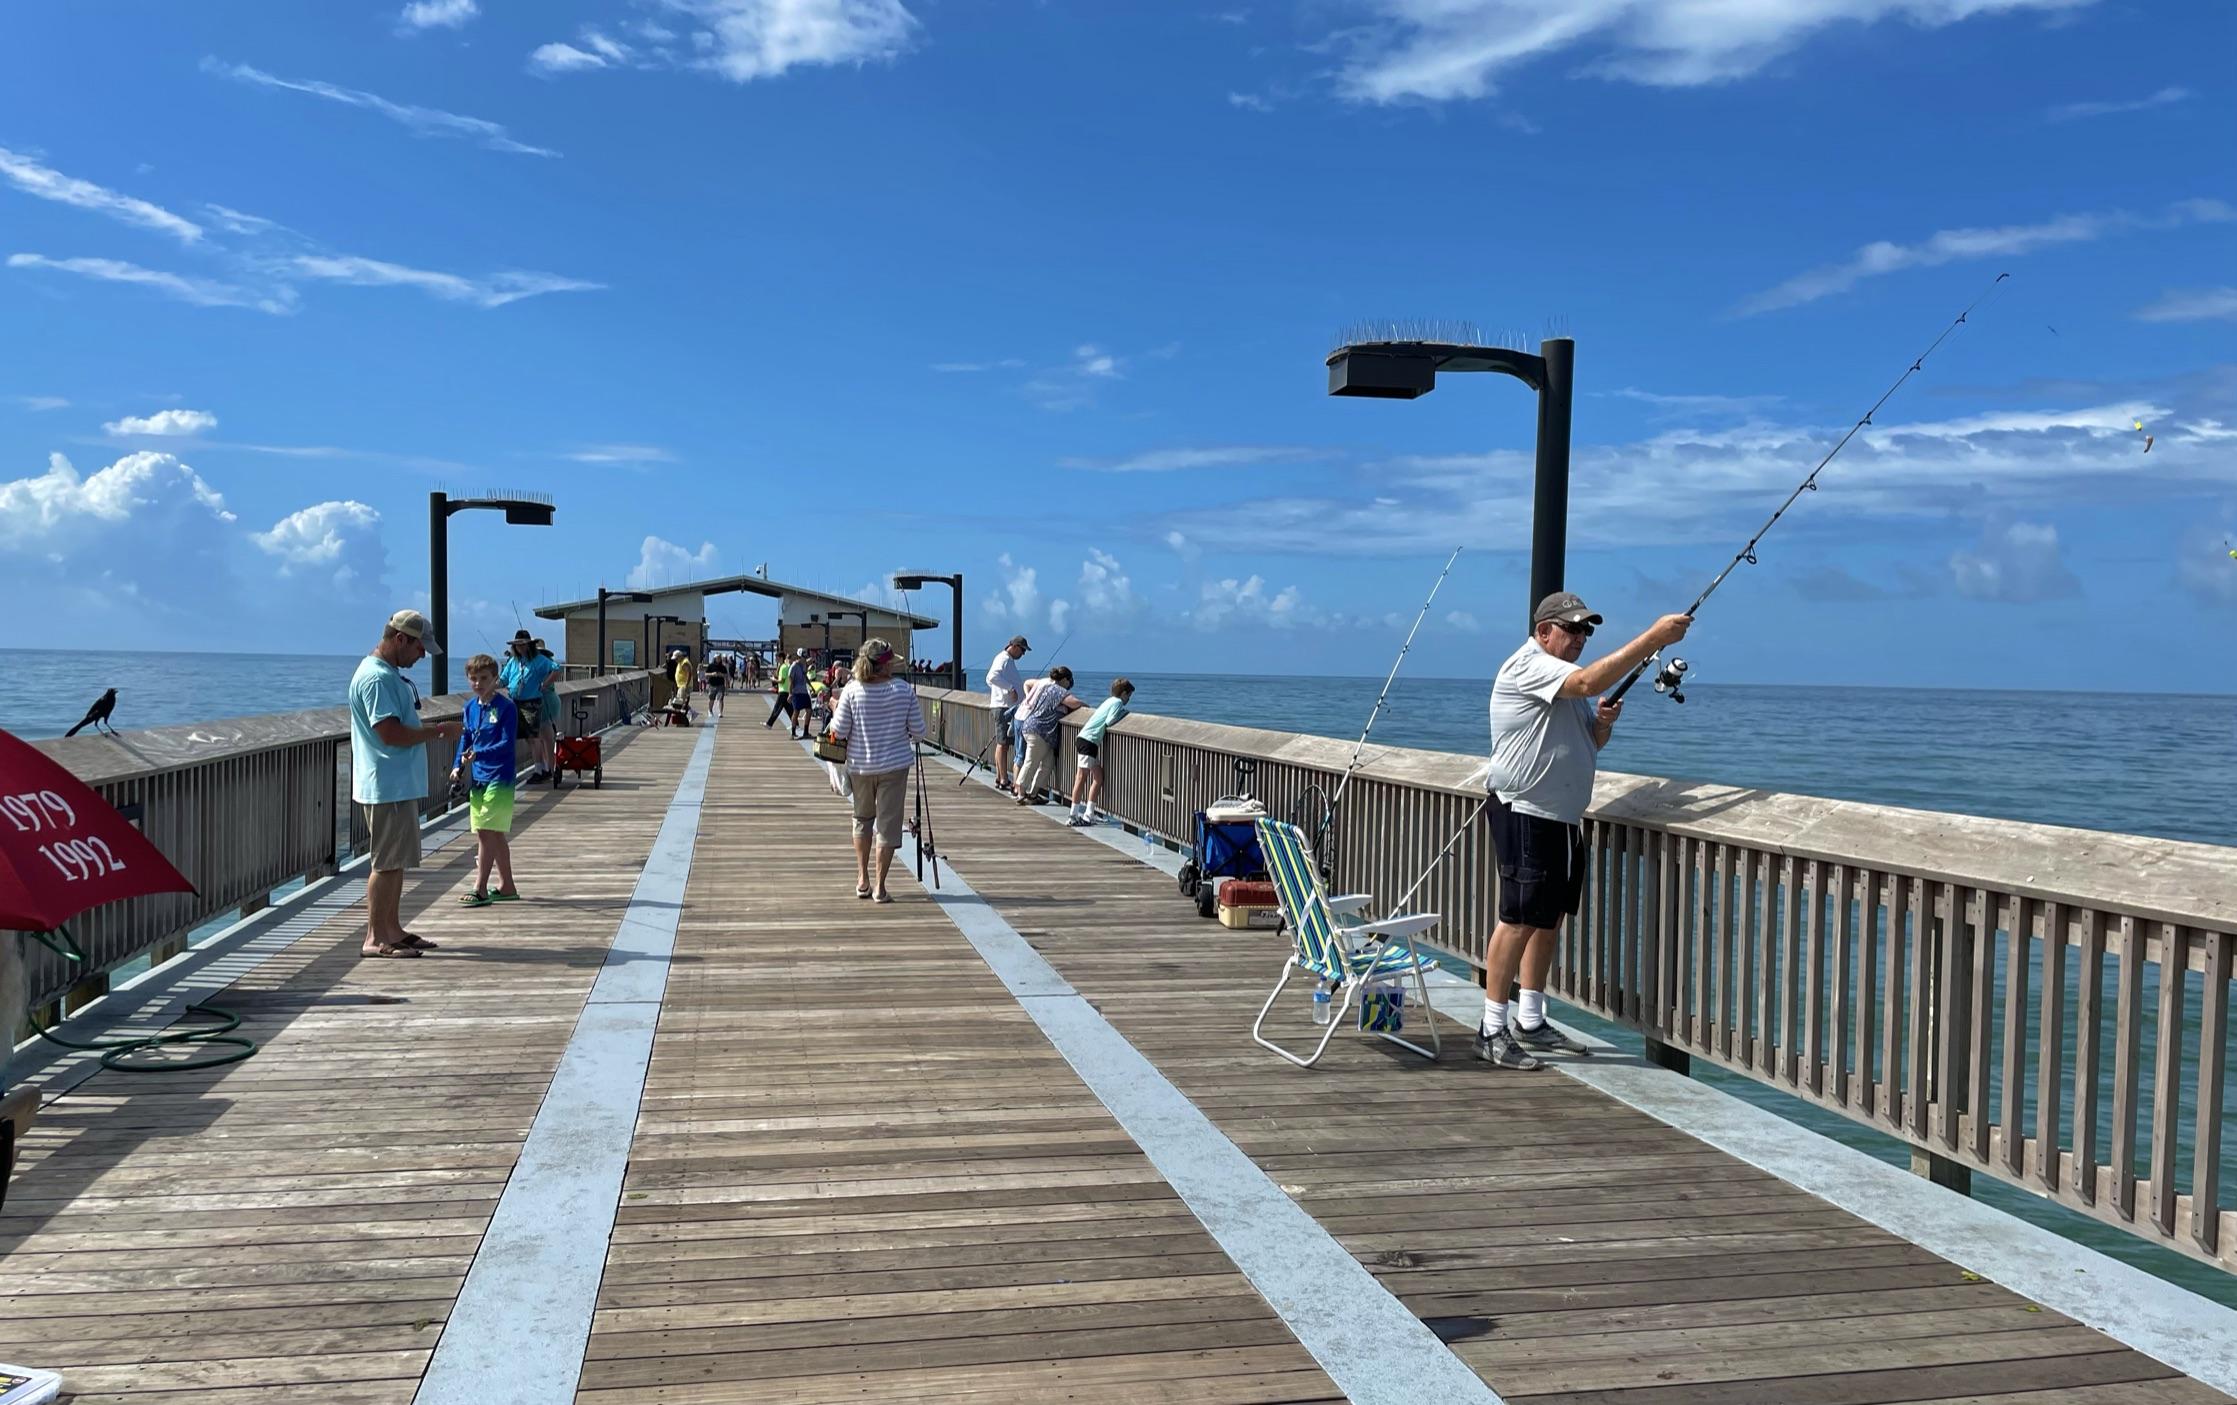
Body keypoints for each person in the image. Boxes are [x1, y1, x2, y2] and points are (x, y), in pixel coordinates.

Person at [1478, 592, 1691, 1070]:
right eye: (1571, 629)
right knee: (1517, 921)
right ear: (1544, 631)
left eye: (1586, 632)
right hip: (1525, 811)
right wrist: (1655, 637)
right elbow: (1589, 680)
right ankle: (1491, 1027)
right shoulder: (1529, 666)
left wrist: (1602, 725)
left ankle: (1529, 1019)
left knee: (1549, 920)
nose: (1579, 638)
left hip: (1564, 818)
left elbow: (1588, 741)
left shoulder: (1561, 681)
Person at [349, 609, 462, 959]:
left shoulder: (387, 675)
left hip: (396, 785)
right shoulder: (377, 679)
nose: (423, 655)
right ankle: (374, 937)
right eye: (419, 647)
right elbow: (390, 733)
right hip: (386, 785)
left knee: (395, 861)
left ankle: (392, 930)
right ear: (401, 639)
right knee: (384, 863)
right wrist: (439, 731)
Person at [826, 638, 927, 903]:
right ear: (885, 666)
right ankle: (880, 887)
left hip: (860, 766)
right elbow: (919, 733)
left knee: (862, 819)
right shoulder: (903, 690)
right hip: (895, 766)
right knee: (888, 826)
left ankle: (862, 879)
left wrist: (835, 708)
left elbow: (838, 732)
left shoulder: (852, 690)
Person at [450, 653, 522, 907]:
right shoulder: (469, 708)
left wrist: (480, 753)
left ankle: (479, 888)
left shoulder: (507, 707)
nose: (478, 683)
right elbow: (465, 739)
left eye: (484, 678)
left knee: (485, 833)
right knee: (495, 833)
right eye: (473, 679)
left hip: (499, 776)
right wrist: (457, 765)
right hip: (478, 776)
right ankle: (507, 886)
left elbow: (505, 743)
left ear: (495, 679)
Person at [1012, 665, 1082, 806]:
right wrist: (1085, 705)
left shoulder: (1045, 687)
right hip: (1039, 730)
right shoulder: (1057, 690)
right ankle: (1020, 793)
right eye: (1069, 680)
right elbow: (1074, 703)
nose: (1070, 684)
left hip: (1039, 731)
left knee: (1047, 764)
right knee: (1031, 762)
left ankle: (1033, 794)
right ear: (1064, 680)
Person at [1068, 678, 1134, 826]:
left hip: (1085, 739)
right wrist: (1124, 713)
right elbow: (1110, 721)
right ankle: (1073, 815)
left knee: (1098, 776)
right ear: (1123, 693)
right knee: (1081, 777)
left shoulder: (1109, 700)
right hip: (1089, 741)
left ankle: (1089, 813)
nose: (1128, 699)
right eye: (1128, 696)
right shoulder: (1117, 703)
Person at [500, 631, 556, 779]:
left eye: (523, 645)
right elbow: (503, 679)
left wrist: (545, 684)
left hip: (531, 702)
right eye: (517, 645)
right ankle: (543, 768)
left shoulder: (538, 659)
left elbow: (556, 669)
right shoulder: (513, 661)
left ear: (529, 645)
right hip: (515, 702)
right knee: (527, 738)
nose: (520, 648)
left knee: (534, 737)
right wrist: (488, 689)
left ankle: (540, 770)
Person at [984, 634, 1030, 793]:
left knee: (1002, 743)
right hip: (1003, 707)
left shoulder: (1004, 659)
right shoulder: (1004, 659)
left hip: (1004, 706)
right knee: (1003, 744)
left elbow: (989, 682)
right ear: (1015, 646)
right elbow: (991, 677)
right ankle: (1003, 778)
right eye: (1022, 651)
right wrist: (1010, 689)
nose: (1023, 655)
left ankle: (999, 777)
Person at [764, 652, 795, 729]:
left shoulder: (783, 667)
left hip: (783, 691)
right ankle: (795, 724)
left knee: (777, 708)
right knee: (789, 710)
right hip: (785, 690)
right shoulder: (783, 666)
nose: (775, 659)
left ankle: (769, 724)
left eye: (776, 657)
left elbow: (782, 681)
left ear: (781, 658)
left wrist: (774, 679)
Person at [788, 647, 813, 738]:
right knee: (796, 712)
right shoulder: (794, 666)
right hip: (796, 692)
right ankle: (793, 732)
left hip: (804, 691)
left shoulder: (803, 665)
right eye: (803, 657)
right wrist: (790, 693)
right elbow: (790, 680)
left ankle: (806, 731)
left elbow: (805, 676)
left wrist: (811, 686)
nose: (805, 658)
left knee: (809, 711)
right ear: (799, 656)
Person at [672, 649, 696, 720]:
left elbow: (689, 674)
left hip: (684, 685)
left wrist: (686, 685)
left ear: (680, 656)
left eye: (676, 658)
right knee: (679, 702)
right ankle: (691, 712)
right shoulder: (681, 662)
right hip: (681, 685)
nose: (675, 660)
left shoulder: (685, 663)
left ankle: (682, 717)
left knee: (680, 702)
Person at [704, 652, 728, 718]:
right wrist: (712, 674)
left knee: (721, 699)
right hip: (712, 684)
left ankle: (720, 712)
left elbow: (726, 675)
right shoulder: (711, 666)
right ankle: (710, 711)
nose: (718, 659)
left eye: (719, 658)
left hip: (720, 684)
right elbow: (706, 674)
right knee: (711, 699)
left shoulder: (723, 667)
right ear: (715, 658)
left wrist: (721, 674)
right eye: (717, 658)